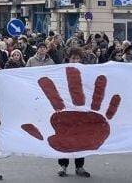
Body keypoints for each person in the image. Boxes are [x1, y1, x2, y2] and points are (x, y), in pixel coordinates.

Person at [57, 47, 91, 178]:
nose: (75, 60)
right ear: (68, 58)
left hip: (81, 110)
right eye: (73, 58)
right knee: (64, 138)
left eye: (77, 58)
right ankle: (63, 166)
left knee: (80, 138)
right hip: (65, 110)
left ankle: (79, 166)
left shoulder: (86, 72)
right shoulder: (61, 71)